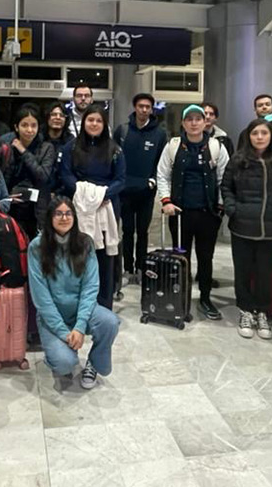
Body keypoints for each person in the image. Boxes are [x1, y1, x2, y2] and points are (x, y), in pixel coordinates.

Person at [29, 197, 120, 389]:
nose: (64, 218)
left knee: (110, 322)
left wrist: (79, 327)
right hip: (52, 316)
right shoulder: (37, 247)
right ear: (50, 218)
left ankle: (93, 363)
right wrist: (64, 331)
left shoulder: (85, 243)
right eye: (58, 214)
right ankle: (55, 355)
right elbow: (41, 298)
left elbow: (90, 287)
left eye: (68, 213)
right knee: (64, 364)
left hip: (81, 310)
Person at [221, 119, 272, 339]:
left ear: (271, 136)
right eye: (255, 133)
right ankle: (245, 311)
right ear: (249, 136)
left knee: (265, 273)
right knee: (242, 271)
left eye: (264, 133)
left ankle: (262, 311)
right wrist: (232, 209)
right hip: (242, 226)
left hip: (269, 229)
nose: (260, 137)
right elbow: (226, 187)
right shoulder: (238, 160)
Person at [156, 105, 230, 321]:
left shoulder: (216, 147)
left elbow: (224, 179)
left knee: (206, 258)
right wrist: (166, 201)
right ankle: (182, 298)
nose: (195, 122)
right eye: (190, 119)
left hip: (208, 214)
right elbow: (162, 175)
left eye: (199, 118)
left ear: (205, 122)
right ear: (183, 123)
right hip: (180, 214)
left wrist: (220, 205)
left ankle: (206, 298)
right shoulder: (173, 146)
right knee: (182, 258)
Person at [59, 106, 125, 309]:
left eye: (98, 120)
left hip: (107, 206)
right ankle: (78, 306)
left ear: (104, 124)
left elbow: (121, 179)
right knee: (78, 255)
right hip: (79, 207)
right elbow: (66, 175)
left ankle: (104, 305)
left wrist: (102, 195)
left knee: (104, 259)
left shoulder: (115, 149)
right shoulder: (71, 147)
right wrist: (85, 193)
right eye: (90, 120)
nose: (94, 124)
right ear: (83, 122)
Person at [112, 93, 169, 284]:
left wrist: (152, 180)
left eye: (148, 107)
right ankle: (128, 268)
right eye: (141, 106)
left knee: (142, 232)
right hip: (125, 191)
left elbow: (162, 161)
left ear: (152, 110)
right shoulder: (123, 130)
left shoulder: (160, 133)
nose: (144, 110)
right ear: (135, 107)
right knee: (127, 231)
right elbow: (114, 157)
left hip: (146, 191)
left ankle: (141, 268)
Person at [0, 104, 55, 237]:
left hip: (37, 210)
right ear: (16, 127)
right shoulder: (6, 148)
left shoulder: (47, 148)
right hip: (12, 207)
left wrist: (23, 151)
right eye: (24, 125)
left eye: (33, 125)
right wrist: (6, 196)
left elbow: (42, 176)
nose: (29, 130)